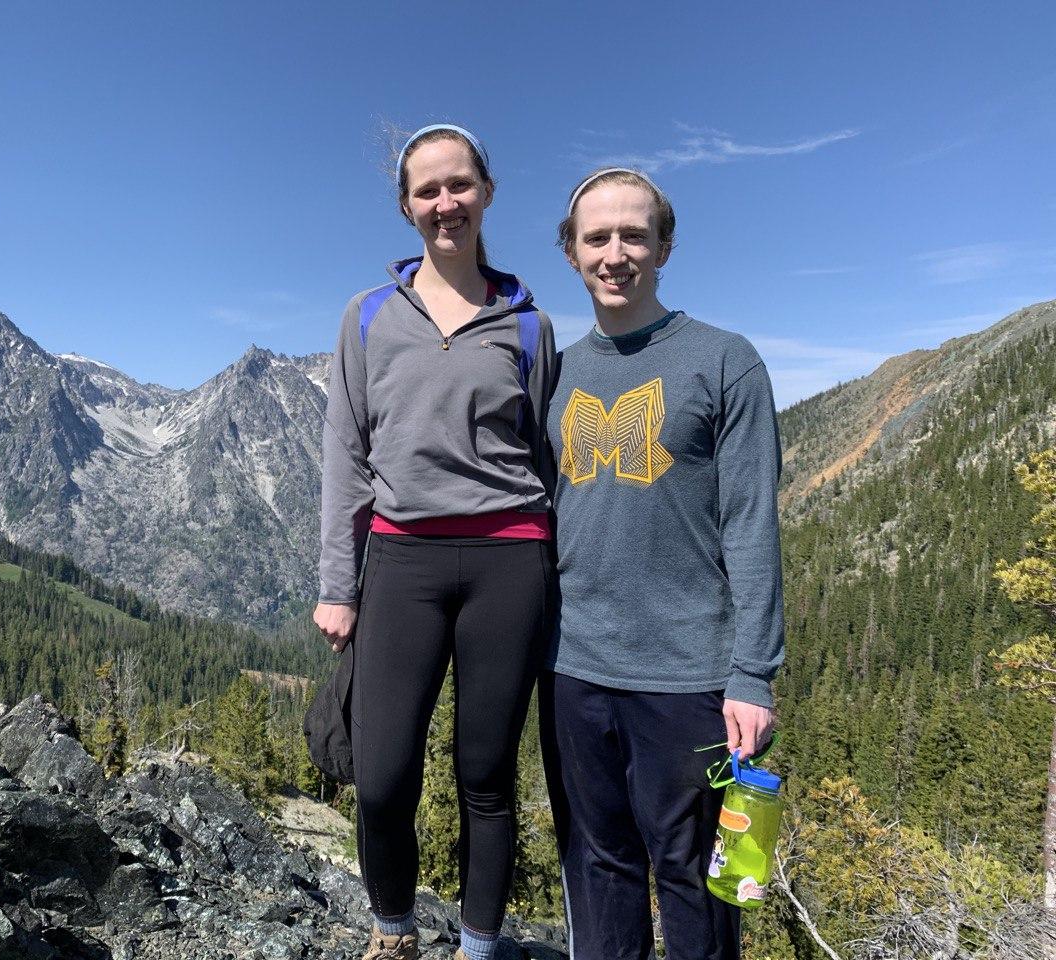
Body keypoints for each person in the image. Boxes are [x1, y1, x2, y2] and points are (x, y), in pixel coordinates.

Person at [314, 124, 558, 960]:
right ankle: (393, 932)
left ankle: (479, 947)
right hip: (403, 561)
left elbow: (546, 459)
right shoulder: (370, 315)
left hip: (510, 561)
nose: (445, 203)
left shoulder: (528, 326)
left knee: (485, 779)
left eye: (460, 185)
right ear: (406, 206)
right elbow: (346, 456)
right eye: (428, 190)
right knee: (382, 778)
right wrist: (337, 584)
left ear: (487, 191)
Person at [539, 168, 784, 960]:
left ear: (665, 246)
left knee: (698, 883)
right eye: (597, 237)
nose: (616, 254)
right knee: (597, 866)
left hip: (690, 678)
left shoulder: (724, 361)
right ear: (572, 252)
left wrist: (753, 674)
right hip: (573, 669)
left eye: (634, 235)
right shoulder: (553, 372)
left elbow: (751, 524)